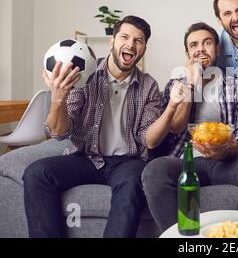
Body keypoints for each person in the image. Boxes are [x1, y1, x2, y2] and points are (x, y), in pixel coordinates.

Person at [22, 16, 183, 238]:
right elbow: (59, 133)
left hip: (128, 162)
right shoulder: (84, 73)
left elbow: (150, 140)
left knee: (131, 185)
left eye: (139, 40)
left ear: (144, 48)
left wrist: (173, 106)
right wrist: (58, 99)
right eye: (125, 37)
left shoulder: (149, 86)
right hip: (85, 158)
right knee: (36, 173)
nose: (131, 44)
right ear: (112, 41)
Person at [141, 22, 238, 233]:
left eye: (207, 43)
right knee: (154, 171)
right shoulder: (175, 86)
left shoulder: (237, 86)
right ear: (187, 54)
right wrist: (191, 84)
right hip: (186, 162)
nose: (200, 49)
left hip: (226, 162)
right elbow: (176, 129)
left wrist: (225, 149)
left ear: (217, 49)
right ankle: (178, 239)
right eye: (194, 45)